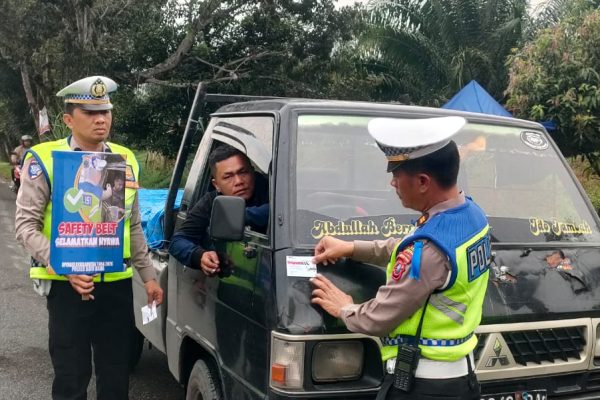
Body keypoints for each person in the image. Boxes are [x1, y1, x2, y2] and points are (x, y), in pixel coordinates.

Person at [310, 116, 491, 400]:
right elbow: (409, 249)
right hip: (460, 380)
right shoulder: (470, 215)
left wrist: (345, 308)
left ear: (423, 182)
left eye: (397, 174)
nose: (392, 182)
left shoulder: (430, 249)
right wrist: (352, 247)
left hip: (423, 388)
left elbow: (379, 318)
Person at [15, 75, 163, 400]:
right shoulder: (44, 159)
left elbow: (131, 224)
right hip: (67, 286)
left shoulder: (124, 158)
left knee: (116, 375)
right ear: (69, 120)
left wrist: (149, 277)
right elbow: (25, 226)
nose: (101, 119)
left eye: (105, 112)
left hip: (115, 283)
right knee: (71, 376)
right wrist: (63, 265)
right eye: (90, 113)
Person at [169, 144, 269, 276]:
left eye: (243, 172)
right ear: (216, 185)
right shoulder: (211, 202)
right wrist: (200, 256)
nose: (238, 181)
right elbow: (177, 242)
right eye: (228, 177)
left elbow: (282, 214)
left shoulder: (272, 190)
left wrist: (240, 216)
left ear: (253, 172)